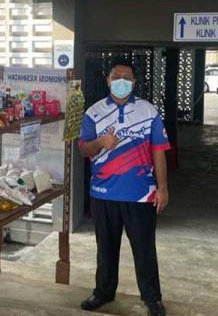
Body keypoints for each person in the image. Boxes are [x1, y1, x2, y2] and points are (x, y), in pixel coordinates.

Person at [79, 59, 171, 316]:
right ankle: (103, 292)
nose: (121, 81)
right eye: (116, 76)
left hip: (141, 194)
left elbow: (159, 151)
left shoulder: (148, 111)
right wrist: (100, 141)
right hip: (103, 193)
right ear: (108, 81)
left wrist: (162, 188)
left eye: (127, 77)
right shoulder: (93, 113)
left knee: (144, 249)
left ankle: (152, 297)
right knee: (106, 247)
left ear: (134, 82)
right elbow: (83, 148)